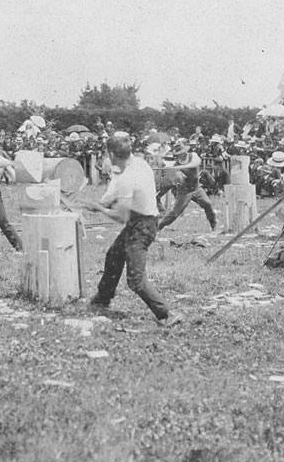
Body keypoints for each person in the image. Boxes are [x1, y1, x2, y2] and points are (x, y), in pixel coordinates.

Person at [83, 132, 183, 327]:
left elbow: (121, 216)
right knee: (114, 255)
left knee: (135, 280)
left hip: (143, 226)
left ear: (111, 153)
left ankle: (166, 314)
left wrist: (99, 208)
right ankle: (102, 299)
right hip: (139, 220)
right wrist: (101, 202)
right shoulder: (138, 163)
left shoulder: (128, 177)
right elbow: (114, 190)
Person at [157, 143, 217, 231]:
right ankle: (159, 227)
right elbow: (177, 178)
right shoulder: (177, 164)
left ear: (185, 152)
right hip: (184, 191)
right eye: (177, 155)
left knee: (207, 204)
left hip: (196, 188)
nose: (179, 156)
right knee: (174, 214)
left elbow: (196, 162)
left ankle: (213, 225)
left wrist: (181, 167)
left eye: (181, 153)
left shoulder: (193, 156)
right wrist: (176, 174)